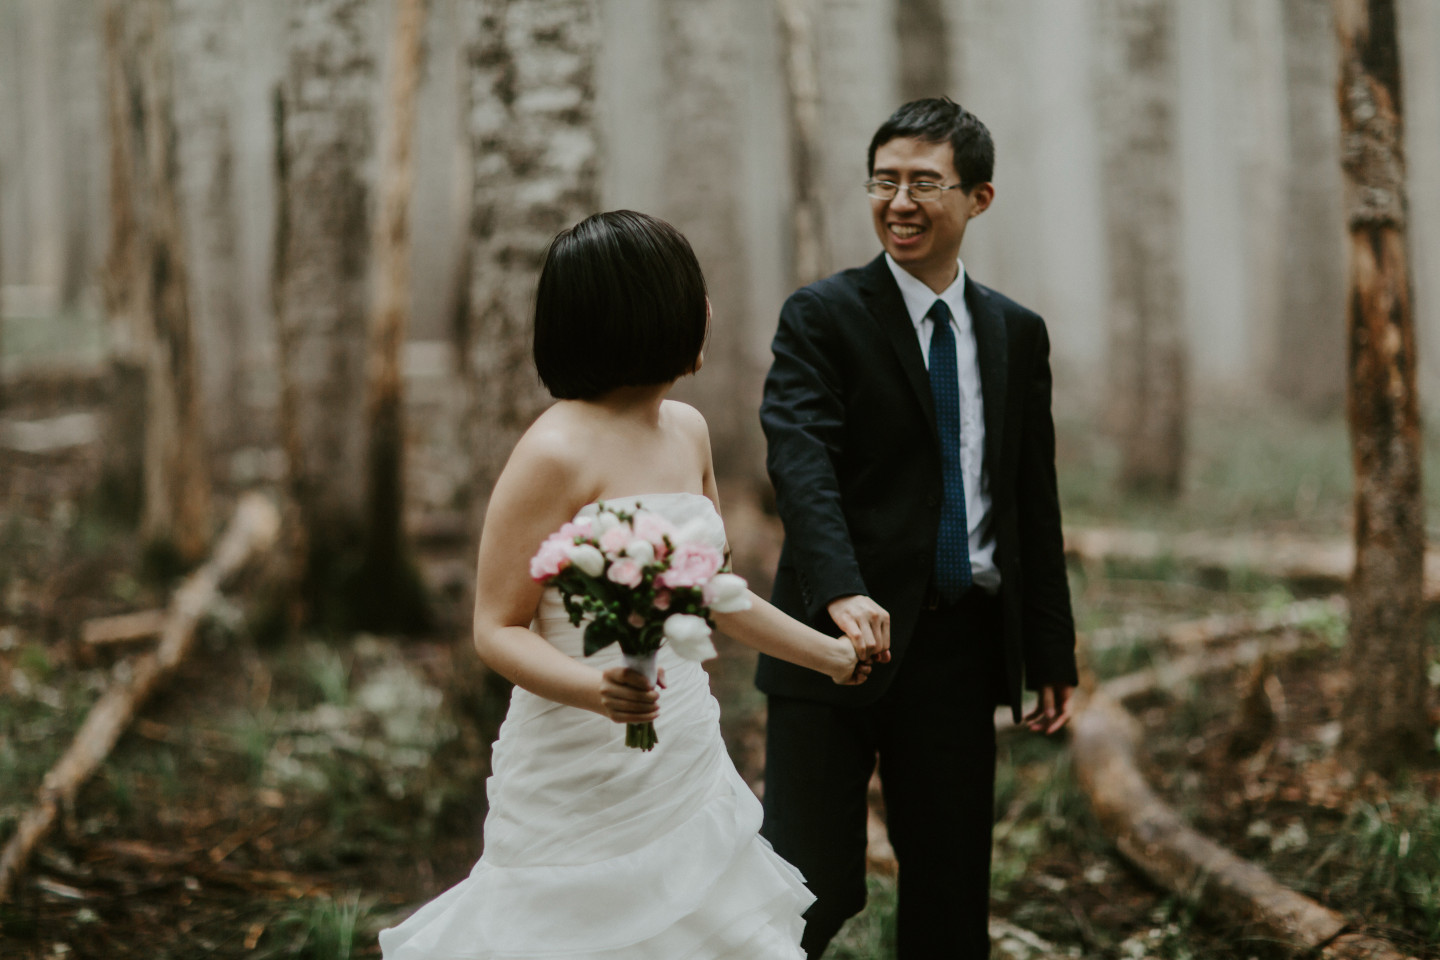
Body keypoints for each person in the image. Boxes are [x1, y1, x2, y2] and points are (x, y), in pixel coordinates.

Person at [378, 210, 874, 960]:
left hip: (681, 753)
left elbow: (716, 593)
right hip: (576, 769)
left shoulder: (688, 429)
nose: (706, 310)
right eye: (689, 293)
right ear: (643, 313)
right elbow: (496, 626)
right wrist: (595, 690)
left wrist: (828, 656)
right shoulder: (552, 452)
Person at [758, 96, 1079, 958]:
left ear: (979, 198)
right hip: (827, 646)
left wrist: (1048, 650)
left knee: (948, 900)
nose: (899, 201)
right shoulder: (821, 317)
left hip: (956, 652)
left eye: (924, 184)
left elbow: (1028, 500)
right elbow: (801, 466)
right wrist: (841, 593)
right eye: (884, 180)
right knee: (804, 889)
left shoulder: (1016, 332)